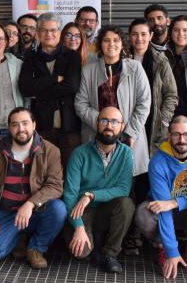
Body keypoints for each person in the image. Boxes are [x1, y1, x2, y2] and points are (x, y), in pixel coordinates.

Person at [0, 108, 67, 269]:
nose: (21, 129)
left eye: (25, 123)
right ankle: (18, 238)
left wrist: (31, 204)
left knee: (59, 209)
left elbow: (55, 186)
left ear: (34, 125)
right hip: (4, 212)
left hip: (37, 211)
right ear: (9, 128)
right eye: (15, 125)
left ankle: (36, 248)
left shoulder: (51, 151)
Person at [134, 116, 187, 279]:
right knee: (143, 213)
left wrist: (174, 202)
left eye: (186, 134)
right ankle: (162, 245)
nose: (181, 140)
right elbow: (162, 207)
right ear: (169, 135)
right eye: (176, 134)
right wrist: (172, 251)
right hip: (165, 212)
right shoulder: (158, 161)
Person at [62, 106, 134, 273]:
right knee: (82, 253)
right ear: (97, 124)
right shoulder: (79, 154)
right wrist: (79, 227)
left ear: (122, 126)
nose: (109, 125)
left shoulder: (126, 154)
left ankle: (110, 254)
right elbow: (70, 195)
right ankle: (89, 236)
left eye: (115, 121)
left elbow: (123, 189)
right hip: (80, 212)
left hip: (106, 211)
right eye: (104, 120)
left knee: (126, 204)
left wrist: (91, 195)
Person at [75, 26, 151, 179]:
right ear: (100, 44)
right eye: (106, 40)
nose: (111, 44)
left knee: (130, 184)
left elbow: (144, 103)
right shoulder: (88, 70)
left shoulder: (135, 68)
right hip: (97, 134)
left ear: (122, 43)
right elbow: (80, 104)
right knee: (99, 180)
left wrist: (131, 131)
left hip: (129, 135)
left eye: (116, 40)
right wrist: (104, 124)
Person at [19, 13, 82, 167]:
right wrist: (54, 79)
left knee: (69, 172)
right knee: (43, 171)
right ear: (38, 33)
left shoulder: (71, 56)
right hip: (42, 126)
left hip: (69, 126)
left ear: (59, 33)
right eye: (44, 30)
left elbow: (71, 86)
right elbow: (26, 88)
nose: (49, 34)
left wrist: (40, 92)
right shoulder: (30, 58)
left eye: (53, 30)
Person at [128, 19, 178, 158]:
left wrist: (164, 120)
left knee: (149, 164)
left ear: (150, 36)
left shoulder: (161, 60)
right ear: (129, 36)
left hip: (153, 122)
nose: (139, 38)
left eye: (144, 34)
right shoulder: (122, 58)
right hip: (127, 118)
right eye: (135, 34)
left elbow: (171, 94)